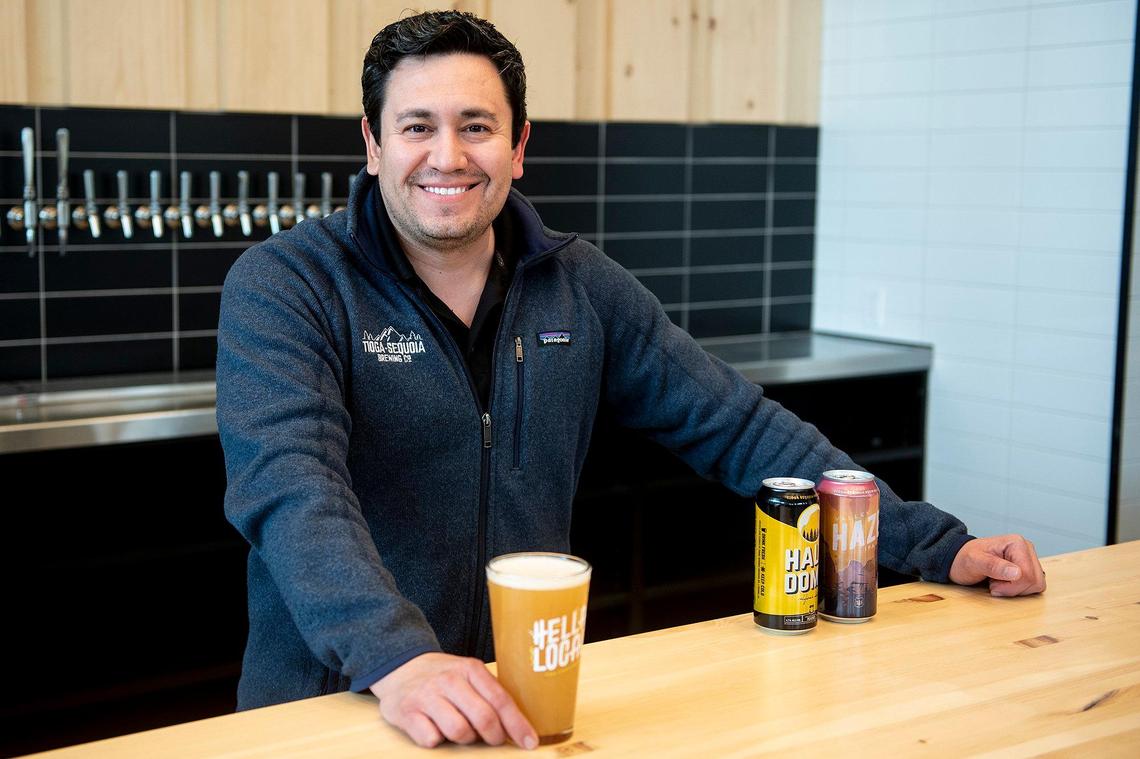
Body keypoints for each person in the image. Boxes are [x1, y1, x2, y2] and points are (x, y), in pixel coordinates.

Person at [216, 10, 1046, 751]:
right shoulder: (289, 284)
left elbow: (740, 426)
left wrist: (935, 543)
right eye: (417, 126)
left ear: (519, 146)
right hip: (338, 705)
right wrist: (399, 656)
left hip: (519, 703)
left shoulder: (580, 286)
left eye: (477, 126)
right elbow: (292, 489)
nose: (448, 155)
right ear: (372, 143)